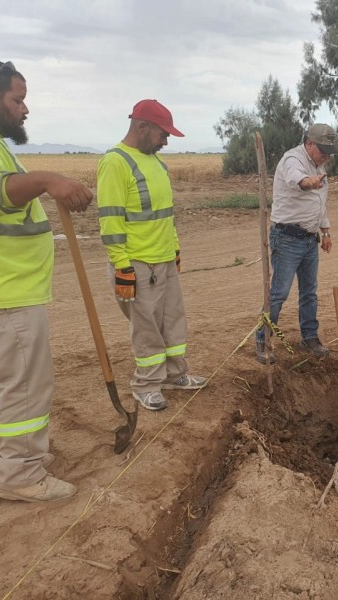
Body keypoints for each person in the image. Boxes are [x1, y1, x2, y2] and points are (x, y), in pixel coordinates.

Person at [0, 58, 93, 502]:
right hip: (5, 294)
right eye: (17, 99)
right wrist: (46, 179)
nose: (25, 110)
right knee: (24, 386)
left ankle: (0, 463)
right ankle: (21, 474)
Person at [97, 99, 206, 411]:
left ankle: (175, 375)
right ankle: (146, 385)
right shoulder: (116, 162)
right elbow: (111, 220)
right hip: (137, 263)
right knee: (146, 328)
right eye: (162, 133)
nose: (166, 140)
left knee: (173, 320)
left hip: (164, 259)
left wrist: (174, 249)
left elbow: (165, 214)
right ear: (141, 127)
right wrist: (122, 267)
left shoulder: (157, 163)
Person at [255, 124, 338, 364]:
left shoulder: (320, 167)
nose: (326, 156)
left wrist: (326, 232)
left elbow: (320, 203)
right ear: (310, 143)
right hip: (287, 238)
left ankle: (309, 337)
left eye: (329, 152)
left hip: (310, 240)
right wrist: (308, 182)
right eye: (323, 150)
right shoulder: (292, 159)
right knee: (279, 293)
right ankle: (263, 339)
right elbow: (296, 180)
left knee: (309, 292)